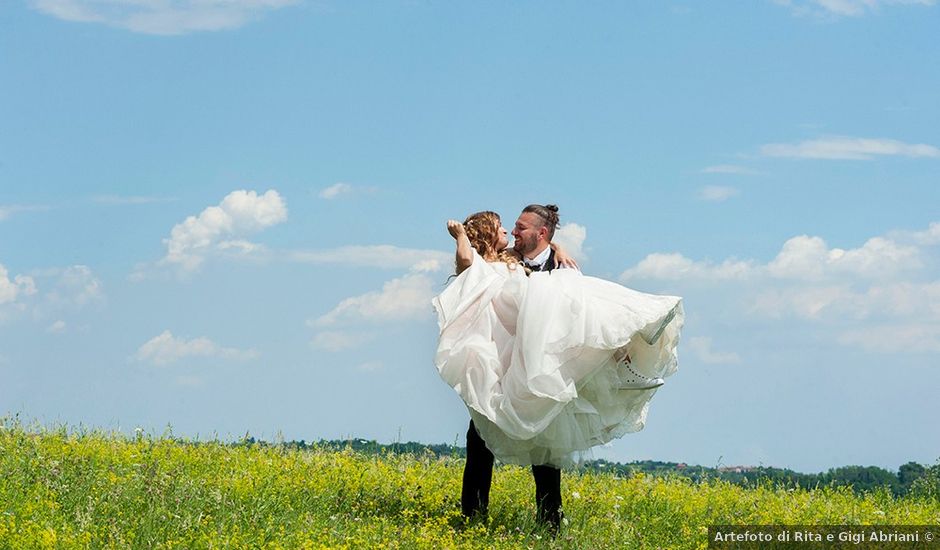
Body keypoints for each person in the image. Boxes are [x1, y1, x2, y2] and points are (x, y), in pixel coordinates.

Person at [432, 205, 683, 532]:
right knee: (480, 440)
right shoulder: (507, 258)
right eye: (513, 227)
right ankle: (472, 517)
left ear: (542, 234)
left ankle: (550, 521)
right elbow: (475, 263)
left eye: (521, 228)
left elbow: (582, 323)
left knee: (547, 451)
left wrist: (615, 348)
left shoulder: (563, 269)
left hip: (544, 373)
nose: (514, 232)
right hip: (504, 371)